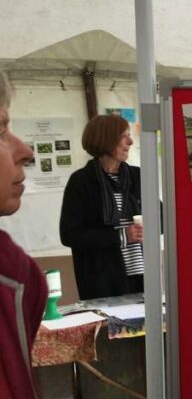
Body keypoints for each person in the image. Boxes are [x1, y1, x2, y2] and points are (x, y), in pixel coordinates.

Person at [0, 72, 86, 399]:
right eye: (0, 129)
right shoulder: (81, 181)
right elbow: (74, 232)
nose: (26, 151)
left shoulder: (15, 281)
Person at [60, 114, 143, 300]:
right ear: (105, 139)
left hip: (143, 276)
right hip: (102, 281)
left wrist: (149, 225)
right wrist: (122, 236)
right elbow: (69, 235)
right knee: (112, 329)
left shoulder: (137, 176)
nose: (130, 141)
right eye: (124, 135)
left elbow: (161, 217)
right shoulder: (81, 181)